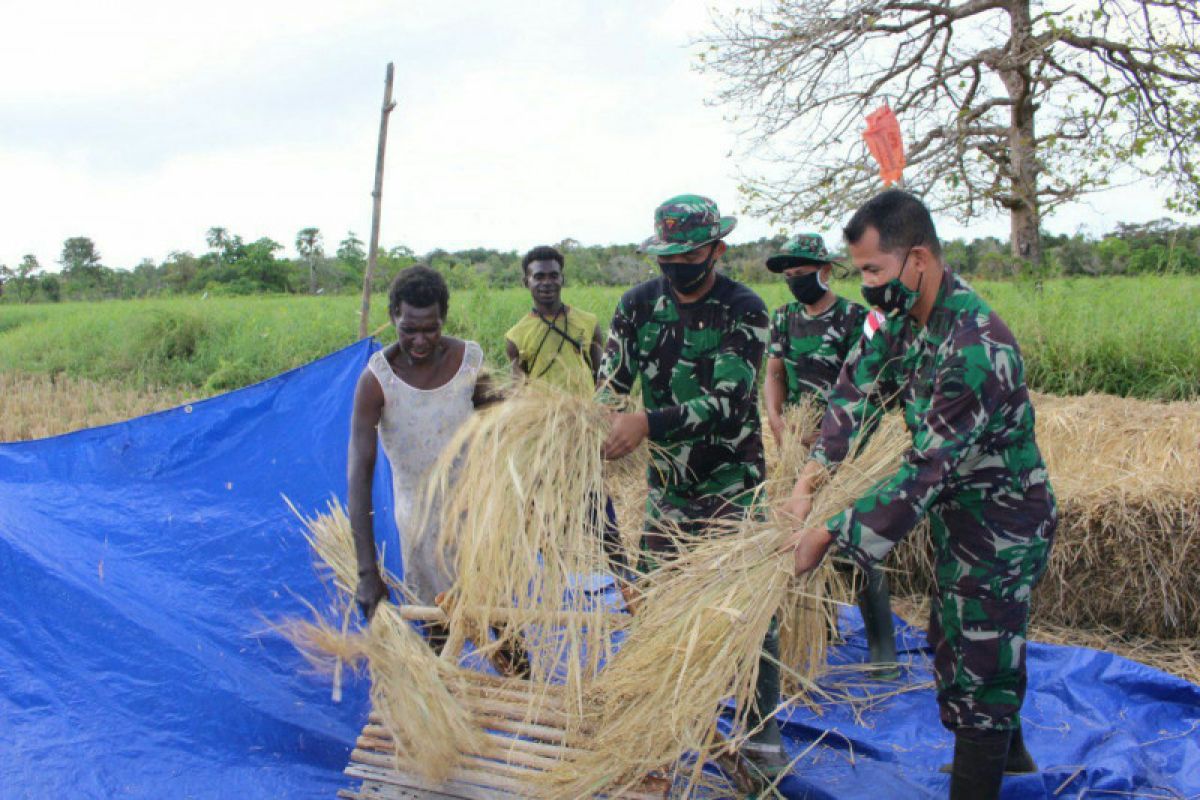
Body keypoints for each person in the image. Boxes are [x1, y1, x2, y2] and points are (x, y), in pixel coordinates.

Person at [782, 190, 1056, 799]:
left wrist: (827, 534)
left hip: (1004, 522)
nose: (867, 286)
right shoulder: (904, 319)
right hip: (960, 515)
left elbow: (922, 472)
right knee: (951, 637)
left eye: (874, 271)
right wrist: (811, 475)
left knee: (980, 662)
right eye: (860, 273)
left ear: (919, 261)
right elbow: (856, 385)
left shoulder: (973, 347)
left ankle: (980, 780)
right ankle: (1012, 762)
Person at [598, 194, 789, 776]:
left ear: (717, 250)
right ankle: (663, 723)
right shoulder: (635, 307)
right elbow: (611, 385)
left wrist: (646, 423)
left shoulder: (745, 309)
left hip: (734, 484)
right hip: (669, 491)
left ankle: (760, 734)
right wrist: (589, 425)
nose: (678, 265)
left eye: (690, 253)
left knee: (752, 613)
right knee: (656, 610)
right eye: (668, 255)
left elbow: (731, 405)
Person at [763, 233, 898, 679]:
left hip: (852, 445)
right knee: (797, 538)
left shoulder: (854, 318)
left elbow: (866, 384)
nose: (795, 282)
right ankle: (818, 632)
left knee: (859, 545)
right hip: (800, 448)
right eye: (789, 277)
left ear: (824, 271)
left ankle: (882, 651)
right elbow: (776, 375)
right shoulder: (783, 319)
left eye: (802, 274)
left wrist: (836, 433)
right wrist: (780, 424)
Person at [348, 265, 492, 619]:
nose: (421, 340)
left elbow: (502, 426)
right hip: (420, 526)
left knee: (499, 624)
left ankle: (519, 675)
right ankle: (438, 675)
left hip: (477, 517)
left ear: (444, 317)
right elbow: (359, 474)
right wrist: (367, 572)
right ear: (393, 315)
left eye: (432, 329)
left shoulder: (470, 363)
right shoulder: (377, 381)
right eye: (409, 329)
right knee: (438, 624)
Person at [505, 245, 603, 396]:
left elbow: (603, 377)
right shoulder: (515, 336)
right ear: (526, 282)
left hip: (585, 414)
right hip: (542, 417)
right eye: (539, 277)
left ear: (562, 279)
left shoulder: (589, 322)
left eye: (553, 275)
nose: (547, 282)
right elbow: (518, 389)